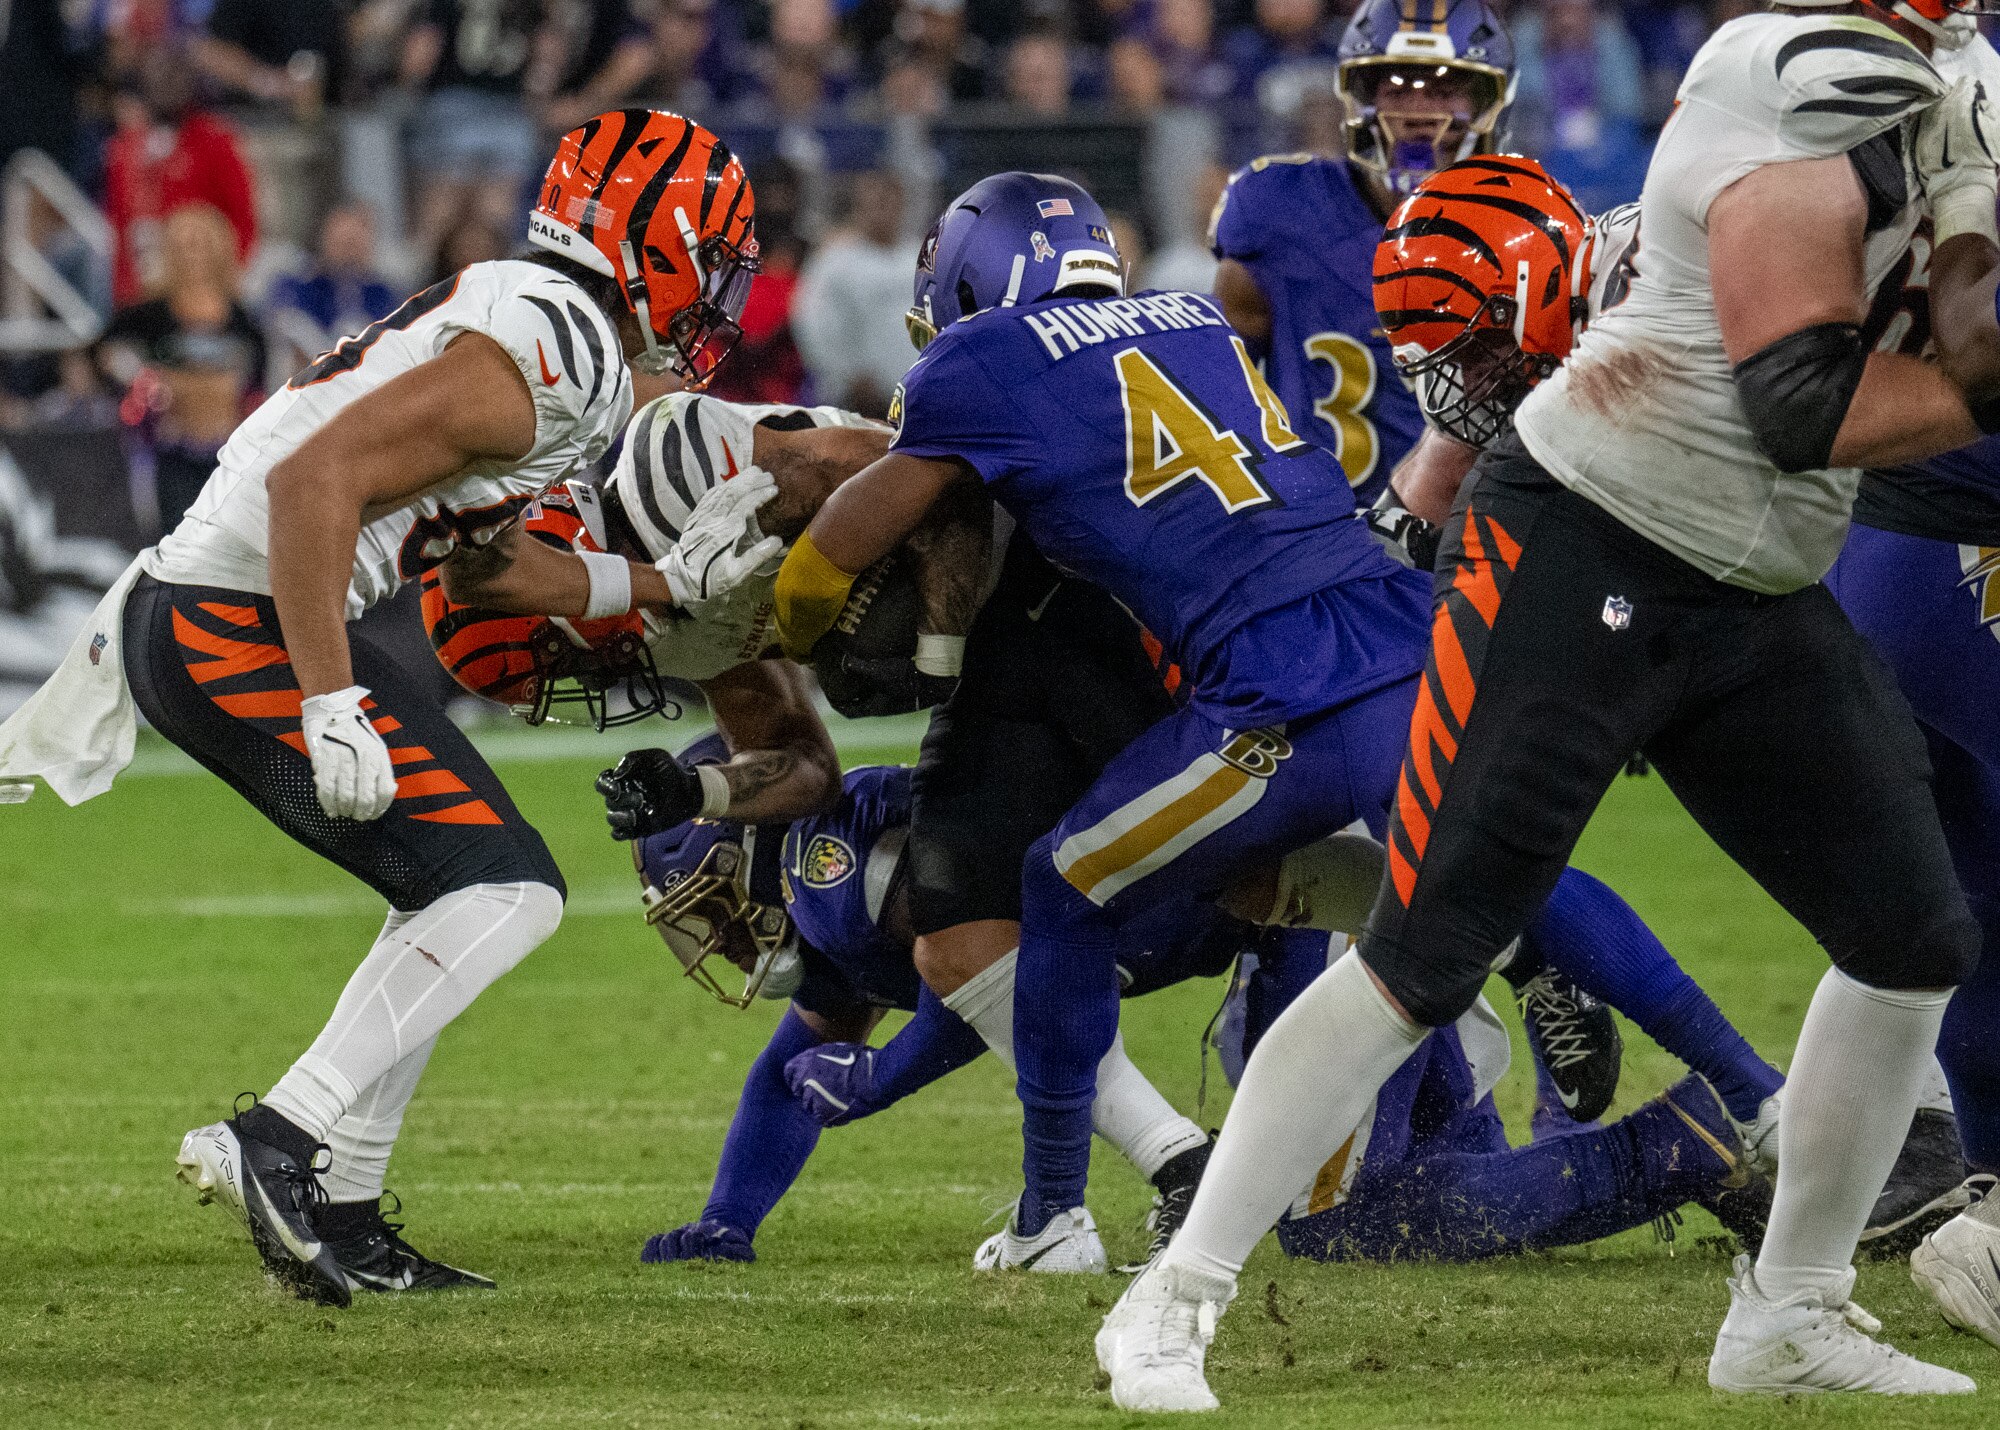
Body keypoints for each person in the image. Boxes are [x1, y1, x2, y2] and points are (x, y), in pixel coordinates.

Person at [1101, 4, 1997, 1406]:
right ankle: (1179, 1292)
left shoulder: (1961, 95)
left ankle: (1789, 1312)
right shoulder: (1782, 77)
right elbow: (1799, 403)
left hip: (1754, 580)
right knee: (1425, 953)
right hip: (1588, 537)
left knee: (1912, 936)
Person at [0, 109, 776, 1307]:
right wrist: (326, 698)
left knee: (452, 883)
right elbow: (319, 481)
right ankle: (281, 1134)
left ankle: (344, 1204)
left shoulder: (551, 327)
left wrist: (668, 584)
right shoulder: (560, 342)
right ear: (656, 242)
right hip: (232, 616)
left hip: (228, 608)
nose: (720, 286)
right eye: (711, 251)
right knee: (506, 888)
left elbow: (485, 573)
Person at [771, 171, 1437, 1272]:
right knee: (1430, 878)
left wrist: (796, 622)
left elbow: (839, 545)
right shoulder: (1192, 316)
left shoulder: (980, 358)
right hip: (1364, 619)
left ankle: (1066, 1207)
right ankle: (1719, 1089)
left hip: (1245, 673)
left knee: (1081, 881)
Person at [632, 743, 1237, 1267]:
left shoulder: (825, 869)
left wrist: (883, 1075)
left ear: (746, 849)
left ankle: (1169, 1172)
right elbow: (786, 1074)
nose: (717, 939)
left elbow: (984, 964)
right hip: (1167, 916)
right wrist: (727, 1219)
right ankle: (1148, 1186)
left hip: (1192, 895)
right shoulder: (817, 912)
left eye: (709, 906)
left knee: (1049, 1017)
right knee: (1305, 1208)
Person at [1208, 0, 1514, 506]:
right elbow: (1215, 390)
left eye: (1444, 87)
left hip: (1467, 537)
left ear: (1486, 102)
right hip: (1326, 537)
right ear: (1360, 96)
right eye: (1398, 87)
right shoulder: (1278, 210)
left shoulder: (1521, 235)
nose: (1420, 114)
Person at [98, 204, 267, 534]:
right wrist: (143, 383)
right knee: (172, 538)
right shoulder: (146, 316)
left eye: (201, 244)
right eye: (182, 246)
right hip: (167, 452)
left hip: (228, 455)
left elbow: (260, 382)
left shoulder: (244, 320)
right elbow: (102, 354)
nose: (193, 255)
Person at [100, 46, 257, 309]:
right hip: (143, 280)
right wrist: (123, 292)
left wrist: (226, 278)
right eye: (157, 73)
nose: (165, 83)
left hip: (202, 280)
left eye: (174, 74)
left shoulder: (216, 140)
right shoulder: (125, 146)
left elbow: (242, 216)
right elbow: (120, 223)